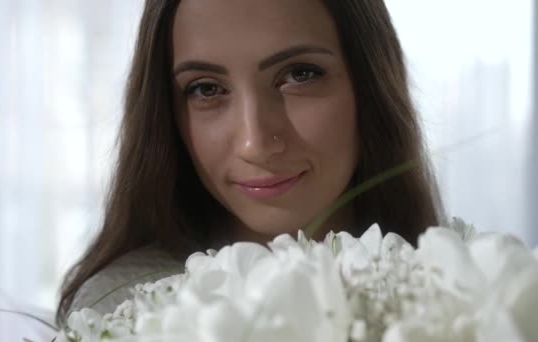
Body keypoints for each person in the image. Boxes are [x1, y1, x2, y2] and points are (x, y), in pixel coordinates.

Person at [56, 0, 444, 326]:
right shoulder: (119, 309)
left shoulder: (461, 291)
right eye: (206, 88)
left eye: (299, 74)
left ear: (370, 83)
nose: (254, 142)